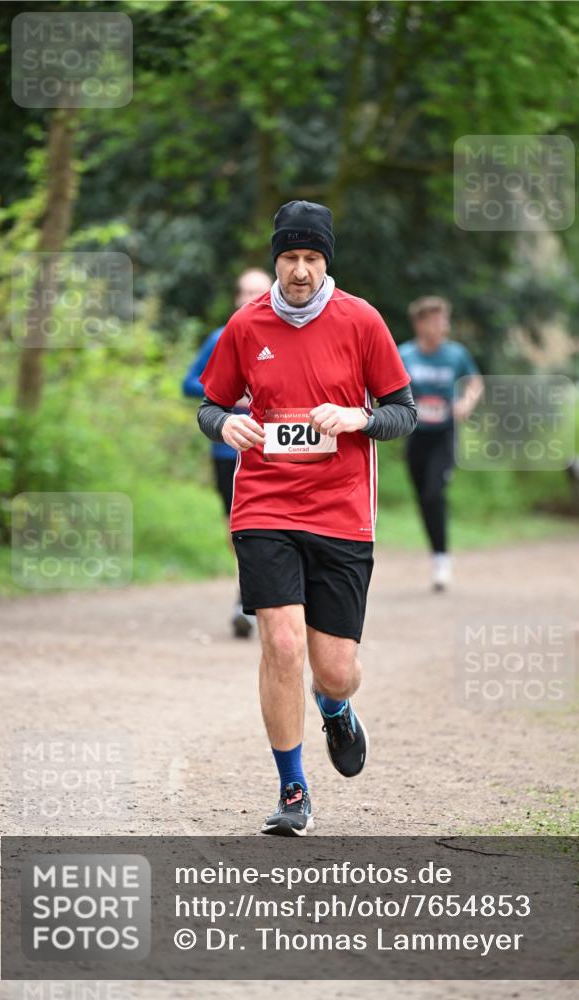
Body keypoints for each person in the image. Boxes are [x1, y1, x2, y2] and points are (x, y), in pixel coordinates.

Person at [197, 200, 416, 835]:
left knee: (336, 671)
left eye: (312, 258)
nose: (300, 270)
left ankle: (336, 708)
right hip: (264, 503)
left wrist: (359, 418)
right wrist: (225, 424)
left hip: (341, 511)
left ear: (326, 261)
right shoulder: (247, 324)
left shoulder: (361, 320)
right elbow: (210, 405)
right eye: (290, 257)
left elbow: (403, 410)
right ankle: (293, 788)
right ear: (276, 260)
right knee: (283, 644)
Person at [183, 268, 272, 636]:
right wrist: (230, 394)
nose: (251, 299)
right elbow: (189, 383)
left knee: (265, 525)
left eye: (259, 292)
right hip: (227, 450)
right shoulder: (221, 337)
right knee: (237, 528)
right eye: (246, 292)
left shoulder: (284, 336)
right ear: (237, 297)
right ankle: (248, 592)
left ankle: (248, 600)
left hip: (273, 450)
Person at [399, 296, 482, 591]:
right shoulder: (404, 354)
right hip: (416, 436)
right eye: (435, 320)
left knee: (435, 493)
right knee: (424, 497)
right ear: (419, 324)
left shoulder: (456, 354)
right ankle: (436, 552)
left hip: (444, 435)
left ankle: (442, 559)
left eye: (444, 320)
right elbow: (388, 384)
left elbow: (474, 382)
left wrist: (466, 402)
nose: (442, 326)